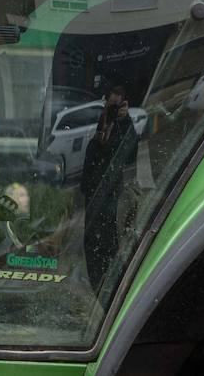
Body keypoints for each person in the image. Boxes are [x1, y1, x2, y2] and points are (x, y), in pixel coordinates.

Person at [80, 85, 139, 292]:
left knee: (109, 247)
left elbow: (130, 153)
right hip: (94, 197)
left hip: (112, 198)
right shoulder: (101, 123)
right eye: (110, 103)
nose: (113, 108)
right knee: (93, 248)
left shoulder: (125, 128)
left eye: (117, 104)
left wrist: (124, 120)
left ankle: (110, 291)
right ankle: (98, 288)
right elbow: (94, 151)